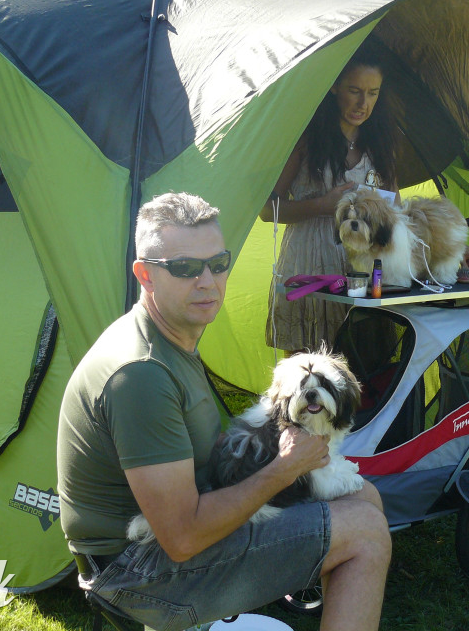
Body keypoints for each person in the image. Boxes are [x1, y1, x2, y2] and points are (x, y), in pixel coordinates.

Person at [57, 192, 390, 630]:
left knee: (364, 498)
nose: (207, 281)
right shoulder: (142, 375)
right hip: (136, 572)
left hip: (158, 543)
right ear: (145, 275)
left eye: (218, 263)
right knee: (364, 532)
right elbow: (181, 538)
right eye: (185, 268)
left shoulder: (173, 340)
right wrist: (285, 469)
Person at [261, 53, 469, 353]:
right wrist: (321, 206)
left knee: (365, 357)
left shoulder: (382, 144)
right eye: (354, 91)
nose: (362, 104)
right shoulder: (305, 139)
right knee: (309, 361)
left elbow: (399, 217)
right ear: (334, 88)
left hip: (373, 264)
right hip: (311, 259)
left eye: (372, 93)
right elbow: (267, 210)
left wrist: (453, 249)